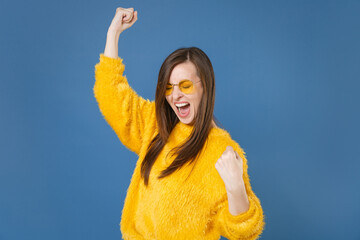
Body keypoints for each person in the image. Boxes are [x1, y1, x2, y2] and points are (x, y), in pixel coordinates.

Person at [93, 7, 265, 240]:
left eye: (185, 86)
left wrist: (235, 186)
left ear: (205, 86)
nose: (175, 96)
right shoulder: (157, 124)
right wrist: (113, 33)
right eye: (168, 87)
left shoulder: (223, 153)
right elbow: (112, 96)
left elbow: (245, 232)